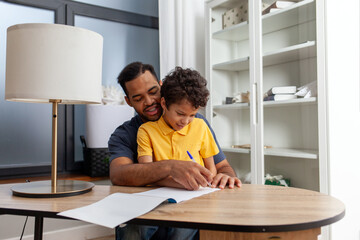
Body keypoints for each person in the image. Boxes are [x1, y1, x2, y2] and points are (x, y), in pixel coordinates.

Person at [108, 62, 241, 240]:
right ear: (128, 101)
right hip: (147, 204)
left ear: (161, 87)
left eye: (153, 91)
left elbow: (222, 166)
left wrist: (226, 176)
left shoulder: (195, 122)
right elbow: (118, 174)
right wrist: (171, 167)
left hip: (192, 201)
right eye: (138, 98)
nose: (149, 102)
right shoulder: (126, 134)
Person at [137, 67, 218, 182]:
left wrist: (208, 179)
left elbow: (211, 169)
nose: (185, 122)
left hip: (198, 192)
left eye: (192, 115)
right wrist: (179, 183)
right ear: (164, 103)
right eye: (180, 114)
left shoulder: (201, 126)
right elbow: (146, 173)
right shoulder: (146, 131)